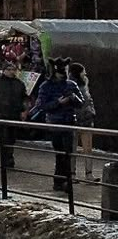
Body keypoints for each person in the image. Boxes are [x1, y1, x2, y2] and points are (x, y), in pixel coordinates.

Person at [32, 57, 83, 191]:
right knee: (60, 152)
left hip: (69, 121)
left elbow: (81, 103)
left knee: (67, 152)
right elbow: (42, 105)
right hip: (55, 121)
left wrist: (73, 98)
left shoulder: (71, 85)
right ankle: (61, 180)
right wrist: (58, 103)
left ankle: (63, 180)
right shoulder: (46, 86)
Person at [0, 63, 28, 168]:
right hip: (2, 114)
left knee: (12, 138)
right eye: (9, 69)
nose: (11, 71)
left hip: (15, 113)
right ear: (4, 70)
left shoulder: (19, 83)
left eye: (13, 69)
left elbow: (24, 97)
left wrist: (24, 110)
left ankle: (9, 157)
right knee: (4, 138)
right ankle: (6, 160)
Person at [69, 62, 96, 181]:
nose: (85, 73)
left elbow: (89, 99)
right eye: (83, 71)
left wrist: (91, 111)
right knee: (73, 149)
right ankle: (73, 173)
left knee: (88, 148)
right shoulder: (70, 85)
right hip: (74, 120)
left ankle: (88, 173)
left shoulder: (85, 84)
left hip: (85, 119)